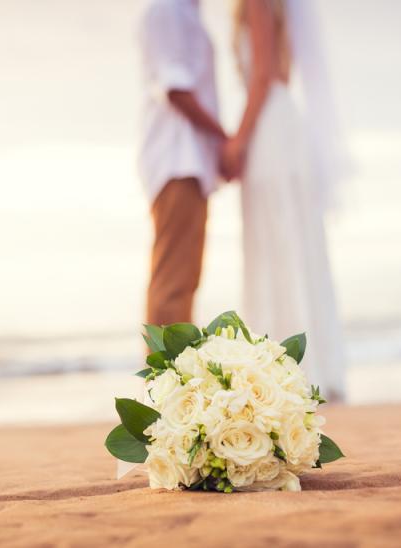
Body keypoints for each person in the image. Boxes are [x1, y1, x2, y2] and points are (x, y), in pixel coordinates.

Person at [222, 0, 347, 401]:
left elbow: (263, 75)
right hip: (283, 125)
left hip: (270, 131)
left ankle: (284, 372)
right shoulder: (279, 8)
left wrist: (237, 141)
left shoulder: (257, 3)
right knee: (293, 245)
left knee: (274, 245)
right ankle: (311, 367)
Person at [137, 0, 226, 327]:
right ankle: (162, 378)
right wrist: (224, 140)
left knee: (183, 281)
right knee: (173, 283)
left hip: (189, 159)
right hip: (177, 158)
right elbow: (175, 89)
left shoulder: (184, 10)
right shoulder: (167, 9)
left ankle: (171, 376)